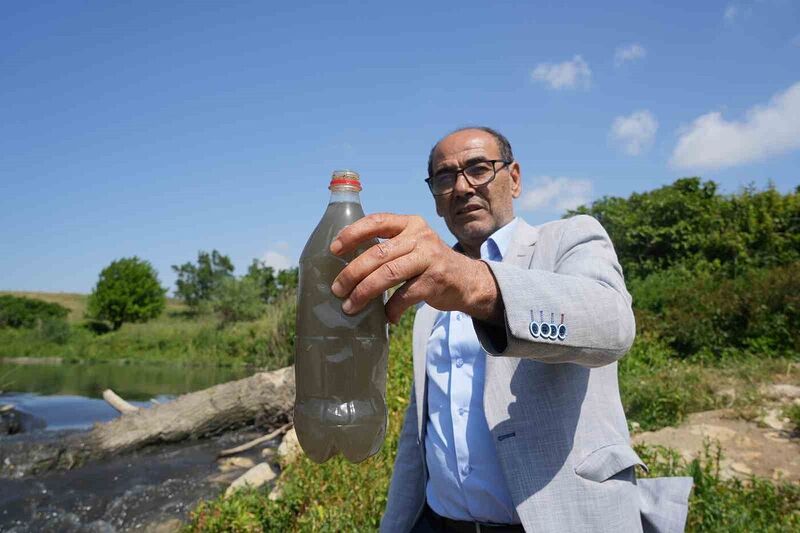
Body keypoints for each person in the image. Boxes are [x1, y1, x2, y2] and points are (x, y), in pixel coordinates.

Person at [330, 127, 692, 533]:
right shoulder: (428, 303)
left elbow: (612, 324)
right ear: (435, 198)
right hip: (440, 522)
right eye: (445, 178)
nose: (463, 187)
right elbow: (421, 435)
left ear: (514, 178)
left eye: (479, 168)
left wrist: (476, 284)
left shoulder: (568, 240)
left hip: (557, 520)